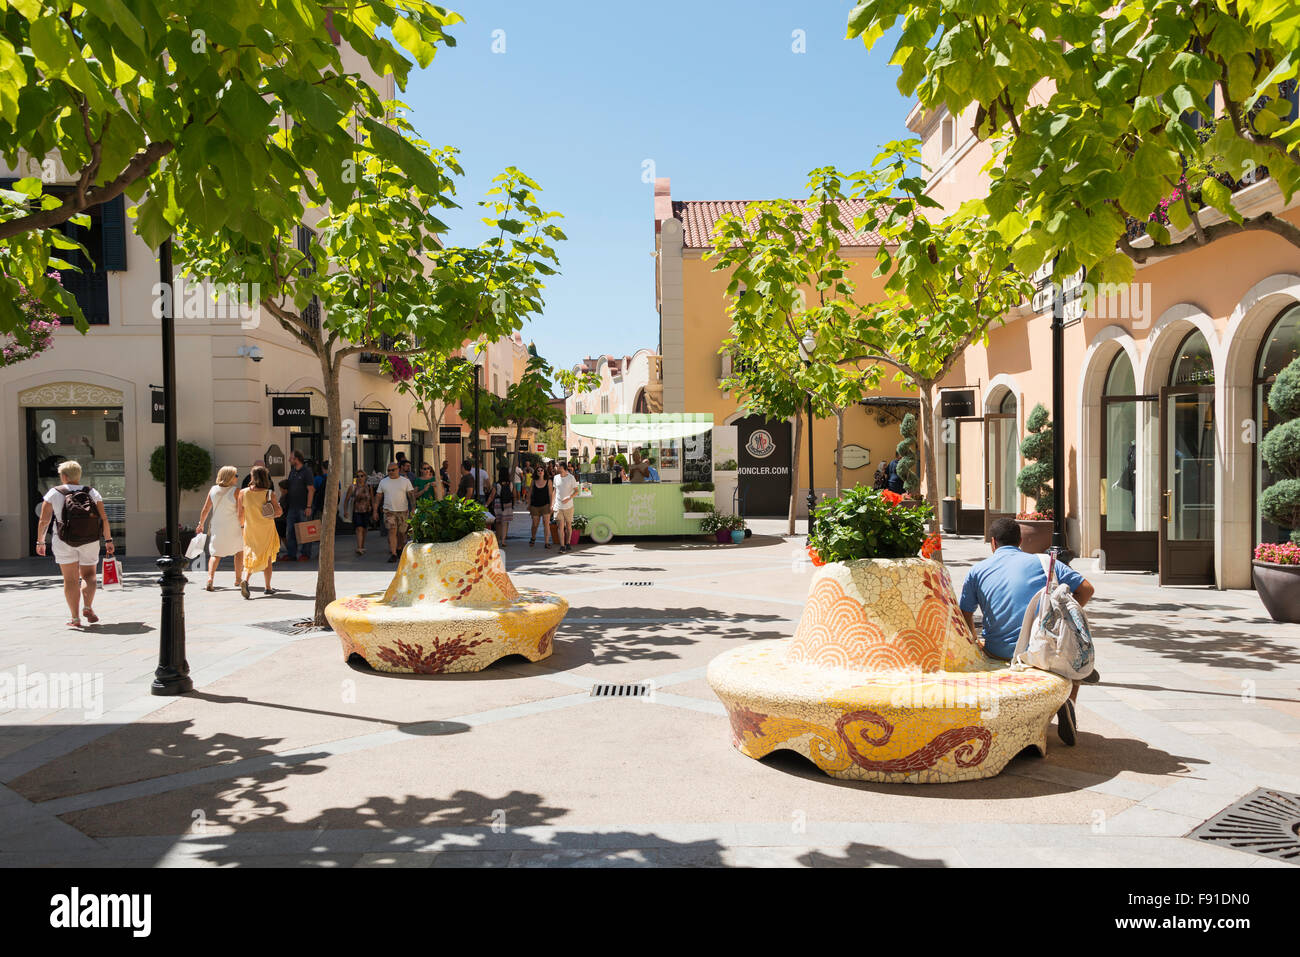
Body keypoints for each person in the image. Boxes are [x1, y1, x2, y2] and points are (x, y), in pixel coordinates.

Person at [958, 518, 1096, 745]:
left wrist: (975, 641)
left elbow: (966, 615)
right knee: (1072, 643)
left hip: (1000, 651)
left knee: (987, 642)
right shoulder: (1046, 562)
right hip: (1043, 650)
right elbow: (1087, 590)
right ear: (1020, 540)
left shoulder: (977, 571)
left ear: (993, 543)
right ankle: (1069, 700)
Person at [35, 460, 114, 628]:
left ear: (64, 476)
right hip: (90, 540)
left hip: (64, 541)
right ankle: (87, 607)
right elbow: (103, 518)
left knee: (70, 580)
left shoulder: (53, 493)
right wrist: (108, 539)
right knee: (89, 576)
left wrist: (40, 541)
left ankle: (75, 618)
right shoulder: (92, 492)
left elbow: (44, 520)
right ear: (78, 476)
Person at [236, 465, 282, 598]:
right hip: (266, 528)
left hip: (250, 528)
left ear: (252, 477)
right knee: (266, 556)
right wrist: (275, 510)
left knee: (250, 554)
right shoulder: (269, 493)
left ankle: (245, 580)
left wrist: (242, 527)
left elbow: (240, 515)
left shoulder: (243, 493)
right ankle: (268, 587)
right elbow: (278, 512)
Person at [195, 466, 243, 591]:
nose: (237, 477)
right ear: (229, 477)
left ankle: (210, 578)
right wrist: (244, 524)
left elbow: (205, 509)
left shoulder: (213, 490)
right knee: (239, 551)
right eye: (235, 475)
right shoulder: (237, 491)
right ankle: (238, 579)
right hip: (234, 526)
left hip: (218, 526)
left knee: (215, 553)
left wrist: (201, 524)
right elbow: (240, 511)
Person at [374, 461, 415, 563]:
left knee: (402, 533)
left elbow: (411, 495)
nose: (391, 472)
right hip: (389, 511)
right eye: (388, 470)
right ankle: (393, 553)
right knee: (392, 530)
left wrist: (413, 508)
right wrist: (375, 510)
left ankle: (399, 548)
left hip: (403, 511)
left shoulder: (405, 481)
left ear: (398, 470)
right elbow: (378, 496)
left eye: (393, 470)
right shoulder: (383, 482)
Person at [282, 450, 315, 562]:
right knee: (290, 531)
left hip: (303, 507)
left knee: (305, 531)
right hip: (292, 507)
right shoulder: (292, 472)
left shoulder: (307, 471)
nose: (289, 460)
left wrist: (309, 506)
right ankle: (291, 554)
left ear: (297, 459)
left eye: (291, 458)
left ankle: (305, 554)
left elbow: (311, 490)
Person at [343, 469, 375, 555]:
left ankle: (362, 545)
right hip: (357, 510)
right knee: (359, 528)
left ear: (365, 477)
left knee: (364, 529)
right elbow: (346, 500)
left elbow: (372, 499)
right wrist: (345, 511)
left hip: (367, 510)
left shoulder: (369, 487)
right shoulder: (353, 487)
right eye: (358, 476)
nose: (360, 478)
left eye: (362, 476)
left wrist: (375, 511)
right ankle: (359, 547)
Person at [552, 460, 579, 553]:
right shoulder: (555, 478)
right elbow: (554, 491)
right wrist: (552, 504)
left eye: (557, 466)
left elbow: (576, 491)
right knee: (560, 526)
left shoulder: (571, 478)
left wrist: (569, 497)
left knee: (568, 526)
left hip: (569, 506)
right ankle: (562, 546)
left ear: (562, 467)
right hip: (558, 506)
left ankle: (568, 543)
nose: (555, 468)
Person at [486, 466, 515, 546]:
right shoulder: (511, 484)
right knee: (505, 522)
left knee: (498, 522)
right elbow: (513, 494)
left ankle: (498, 539)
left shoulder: (497, 484)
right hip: (508, 504)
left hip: (498, 503)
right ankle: (503, 540)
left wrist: (486, 504)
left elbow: (492, 496)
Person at [527, 464, 554, 548]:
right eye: (538, 471)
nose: (540, 472)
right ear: (536, 472)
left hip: (546, 504)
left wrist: (551, 505)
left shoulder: (549, 481)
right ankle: (533, 537)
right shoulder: (533, 481)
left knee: (546, 524)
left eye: (541, 470)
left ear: (544, 471)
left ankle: (546, 542)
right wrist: (528, 504)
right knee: (535, 524)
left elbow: (551, 494)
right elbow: (530, 493)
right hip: (535, 505)